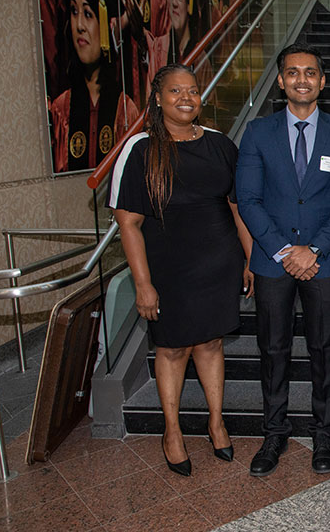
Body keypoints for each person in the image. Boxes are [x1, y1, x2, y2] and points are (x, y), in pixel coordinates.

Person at [109, 63, 254, 476]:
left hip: (217, 262)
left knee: (211, 343)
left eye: (192, 90)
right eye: (176, 91)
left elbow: (237, 207)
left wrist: (249, 259)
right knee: (172, 348)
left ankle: (216, 421)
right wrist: (142, 283)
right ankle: (171, 430)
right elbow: (129, 223)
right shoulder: (139, 150)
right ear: (158, 98)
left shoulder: (221, 144)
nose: (186, 98)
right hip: (168, 269)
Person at [236, 43, 330, 477]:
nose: (301, 79)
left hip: (326, 260)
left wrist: (315, 249)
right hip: (273, 261)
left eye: (310, 73)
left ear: (322, 82)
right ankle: (274, 432)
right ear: (282, 80)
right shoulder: (257, 132)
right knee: (273, 348)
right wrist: (286, 251)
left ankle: (325, 433)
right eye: (292, 72)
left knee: (326, 348)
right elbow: (247, 200)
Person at [51, 0, 139, 174]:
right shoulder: (60, 109)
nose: (79, 25)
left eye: (88, 14)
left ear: (104, 25)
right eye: (73, 11)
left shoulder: (125, 111)